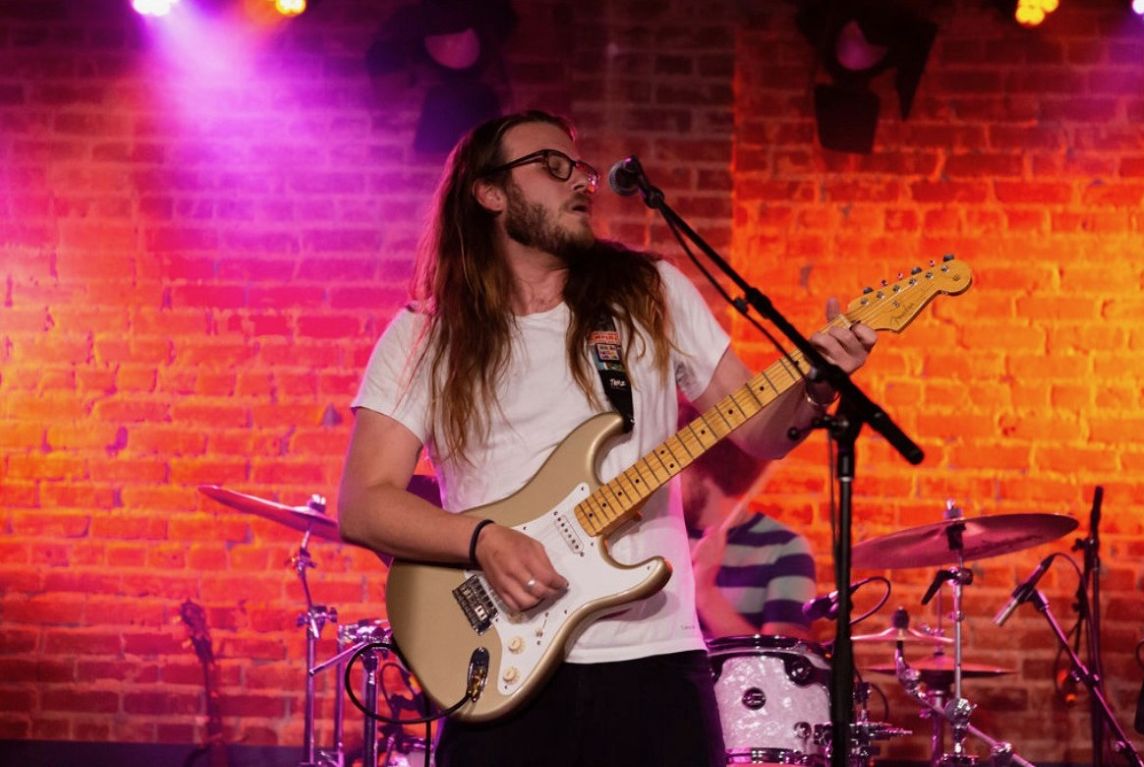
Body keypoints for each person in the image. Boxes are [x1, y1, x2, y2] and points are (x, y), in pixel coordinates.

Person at [337, 109, 876, 767]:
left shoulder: (650, 294)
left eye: (581, 169)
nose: (579, 182)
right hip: (500, 662)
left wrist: (815, 388)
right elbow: (364, 503)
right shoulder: (426, 335)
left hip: (654, 662)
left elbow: (760, 431)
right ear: (489, 192)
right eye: (552, 166)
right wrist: (483, 539)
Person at [680, 400, 818, 641]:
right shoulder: (660, 538)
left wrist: (705, 593)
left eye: (675, 468)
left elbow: (780, 659)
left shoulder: (785, 548)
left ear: (706, 471)